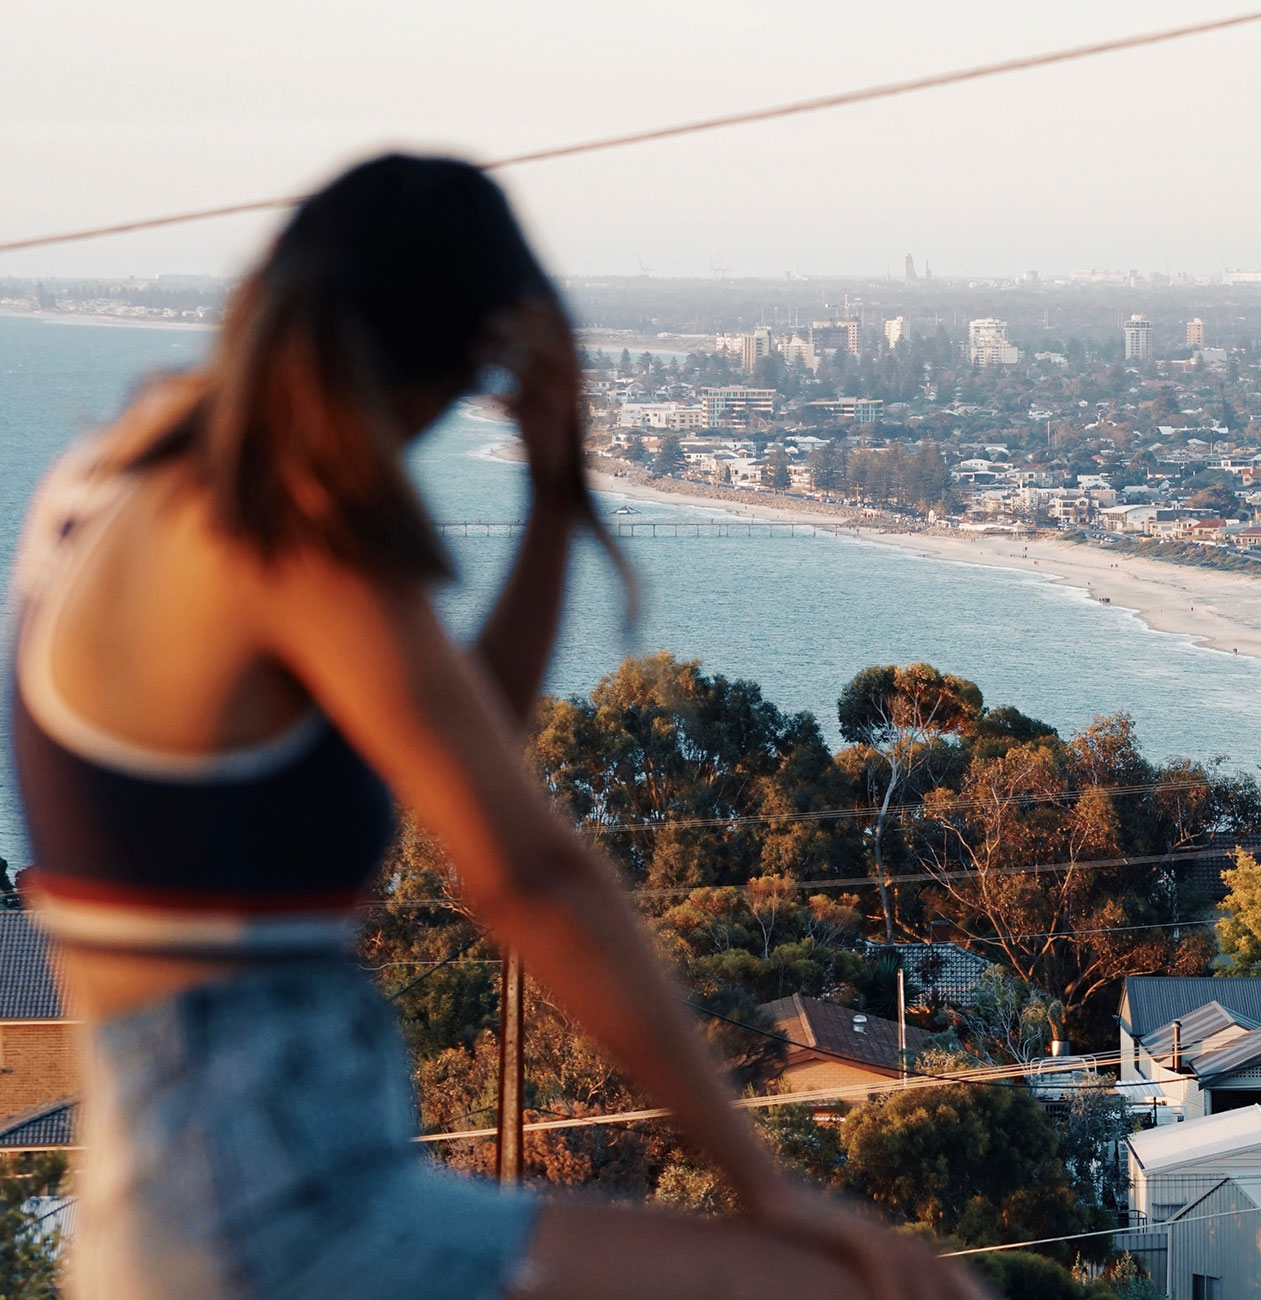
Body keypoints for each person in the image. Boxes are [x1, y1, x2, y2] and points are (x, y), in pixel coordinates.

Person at [7, 156, 986, 1300]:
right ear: (459, 364)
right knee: (876, 1290)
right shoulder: (282, 525)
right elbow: (526, 872)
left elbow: (450, 745)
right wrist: (767, 1189)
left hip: (193, 1206)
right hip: (280, 1220)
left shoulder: (112, 479)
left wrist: (552, 491)